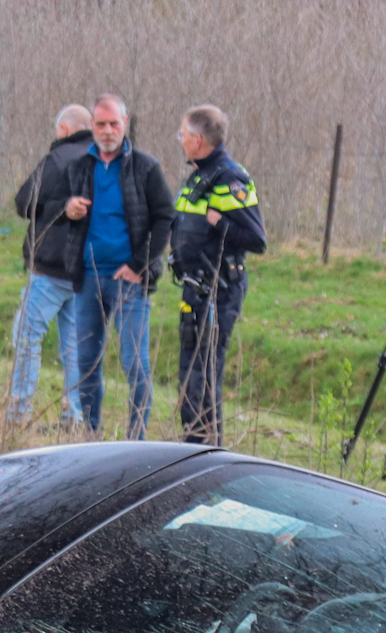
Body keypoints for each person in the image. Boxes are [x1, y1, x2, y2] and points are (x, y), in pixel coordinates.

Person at [68, 95, 175, 438]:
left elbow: (166, 217)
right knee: (86, 362)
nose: (107, 131)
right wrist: (67, 208)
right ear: (91, 127)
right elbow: (47, 204)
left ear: (125, 123)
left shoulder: (145, 168)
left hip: (129, 280)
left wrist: (139, 265)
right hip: (88, 278)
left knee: (134, 365)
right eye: (100, 124)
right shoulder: (78, 167)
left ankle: (136, 440)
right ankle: (90, 436)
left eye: (114, 123)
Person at [168, 104, 264, 445]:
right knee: (189, 375)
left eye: (182, 135)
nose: (180, 140)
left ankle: (206, 449)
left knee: (204, 376)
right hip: (193, 289)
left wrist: (219, 222)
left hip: (219, 291)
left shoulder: (230, 178)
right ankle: (192, 445)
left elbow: (256, 239)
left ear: (197, 139)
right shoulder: (199, 175)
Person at [8, 104, 93, 426]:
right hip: (84, 271)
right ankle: (74, 416)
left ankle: (19, 412)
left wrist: (50, 207)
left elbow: (23, 201)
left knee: (26, 337)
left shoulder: (58, 159)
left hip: (51, 267)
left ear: (64, 129)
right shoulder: (103, 162)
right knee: (73, 345)